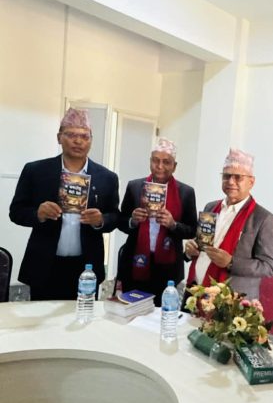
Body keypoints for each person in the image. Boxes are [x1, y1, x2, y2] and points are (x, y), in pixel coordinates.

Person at [9, 108, 119, 300]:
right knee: (42, 317)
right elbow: (16, 212)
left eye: (84, 136)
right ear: (59, 137)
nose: (78, 141)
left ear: (91, 140)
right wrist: (38, 214)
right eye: (71, 135)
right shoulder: (36, 171)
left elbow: (115, 216)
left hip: (86, 268)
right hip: (45, 263)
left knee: (83, 316)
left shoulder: (107, 178)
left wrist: (101, 220)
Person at [183, 148, 273, 301]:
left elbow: (268, 266)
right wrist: (190, 249)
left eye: (238, 177)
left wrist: (231, 262)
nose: (231, 182)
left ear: (251, 182)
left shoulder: (264, 219)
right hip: (195, 293)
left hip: (231, 304)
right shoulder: (210, 207)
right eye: (226, 176)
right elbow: (202, 243)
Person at [117, 138, 197, 306]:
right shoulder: (135, 187)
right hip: (135, 263)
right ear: (150, 162)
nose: (160, 166)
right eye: (156, 160)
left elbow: (192, 230)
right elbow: (121, 221)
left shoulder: (186, 192)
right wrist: (133, 220)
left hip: (168, 269)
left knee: (162, 314)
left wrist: (173, 224)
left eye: (166, 162)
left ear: (174, 166)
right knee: (132, 312)